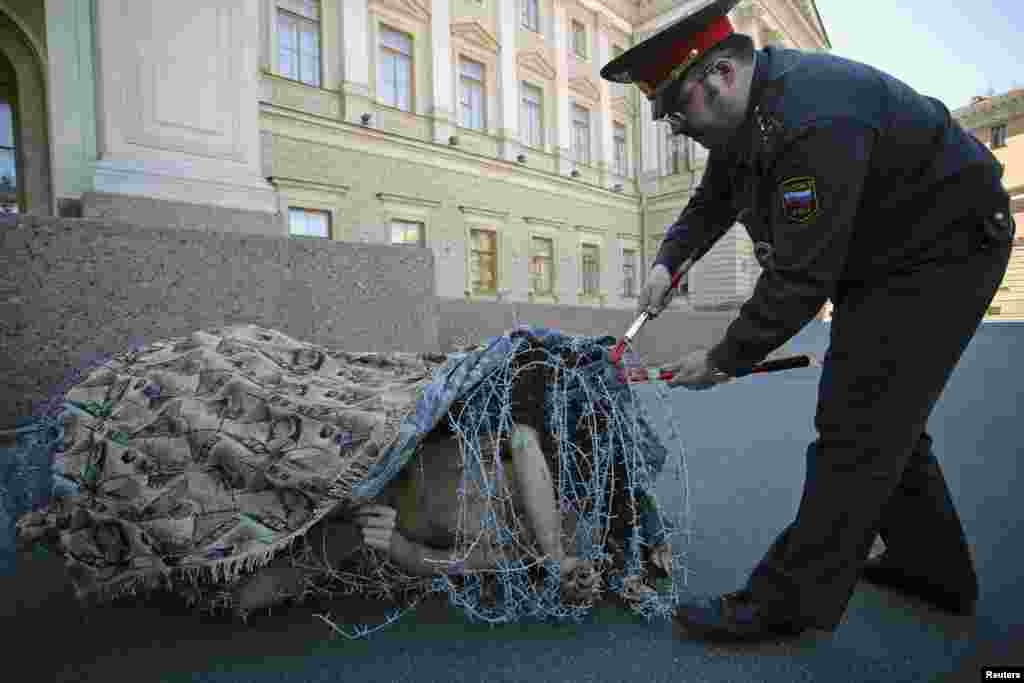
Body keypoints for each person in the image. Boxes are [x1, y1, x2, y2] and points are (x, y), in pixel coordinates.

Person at [600, 0, 1014, 642]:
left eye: (679, 110)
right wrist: (669, 263)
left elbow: (798, 280)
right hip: (888, 249)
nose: (677, 128)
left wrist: (720, 360)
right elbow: (713, 197)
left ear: (720, 76)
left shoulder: (814, 119)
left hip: (944, 247)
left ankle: (784, 602)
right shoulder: (751, 116)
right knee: (884, 415)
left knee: (858, 424)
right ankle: (932, 568)